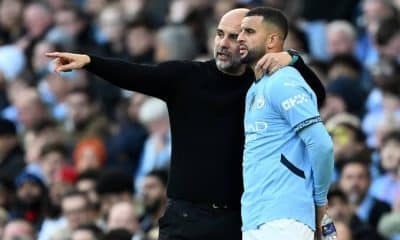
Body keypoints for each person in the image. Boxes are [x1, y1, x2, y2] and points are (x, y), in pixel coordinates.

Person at [45, 8, 325, 240]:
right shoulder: (187, 77)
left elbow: (316, 97)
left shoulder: (264, 85)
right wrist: (90, 61)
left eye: (234, 36)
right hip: (184, 219)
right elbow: (135, 74)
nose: (223, 43)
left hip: (238, 220)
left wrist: (293, 60)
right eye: (219, 34)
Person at [237, 7, 334, 239]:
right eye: (240, 31)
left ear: (272, 40)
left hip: (284, 219)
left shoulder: (285, 80)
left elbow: (322, 145)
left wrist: (320, 201)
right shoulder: (255, 88)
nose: (240, 37)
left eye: (249, 31)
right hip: (255, 218)